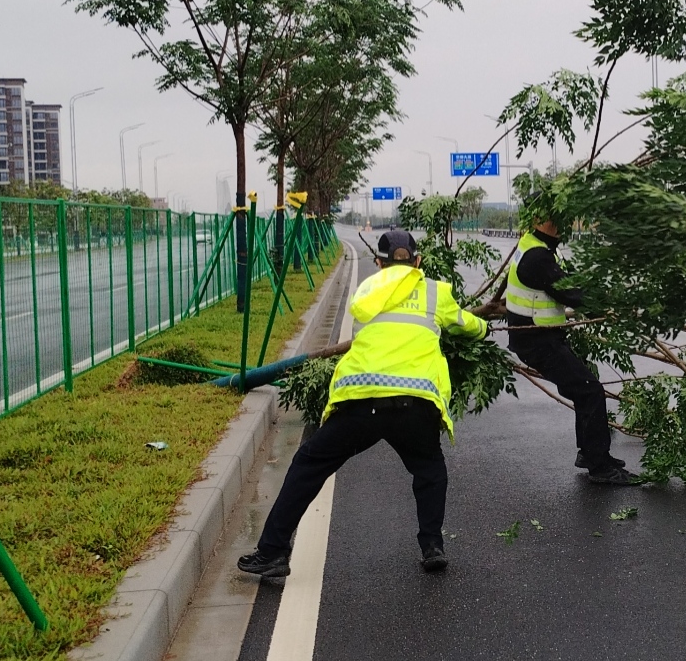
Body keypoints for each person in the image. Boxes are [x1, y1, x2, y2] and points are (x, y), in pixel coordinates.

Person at [238, 229, 488, 578]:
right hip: (413, 403)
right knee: (429, 470)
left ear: (377, 263)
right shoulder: (435, 291)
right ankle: (432, 545)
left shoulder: (367, 292)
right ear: (417, 261)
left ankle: (272, 552)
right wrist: (484, 326)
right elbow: (468, 326)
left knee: (309, 465)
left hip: (362, 400)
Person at [505, 215, 635, 485]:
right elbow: (571, 292)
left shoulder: (542, 246)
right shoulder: (537, 256)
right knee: (590, 390)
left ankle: (591, 454)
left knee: (583, 390)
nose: (563, 222)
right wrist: (609, 306)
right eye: (557, 217)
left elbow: (570, 281)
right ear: (539, 218)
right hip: (536, 341)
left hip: (543, 336)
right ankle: (599, 466)